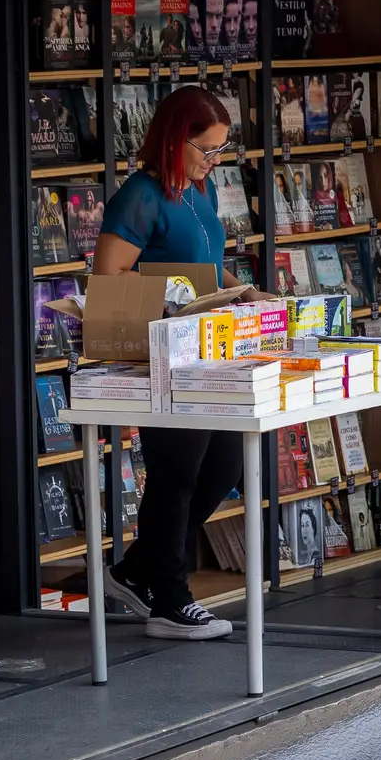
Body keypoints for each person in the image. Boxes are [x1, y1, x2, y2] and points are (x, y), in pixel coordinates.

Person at [94, 84, 258, 642]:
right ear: (173, 140)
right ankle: (169, 598)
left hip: (210, 349)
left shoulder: (197, 190)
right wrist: (173, 300)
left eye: (220, 150)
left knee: (222, 468)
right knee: (177, 474)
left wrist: (244, 291)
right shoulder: (140, 196)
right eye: (206, 149)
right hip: (166, 355)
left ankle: (136, 570)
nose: (214, 161)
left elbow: (207, 264)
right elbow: (109, 277)